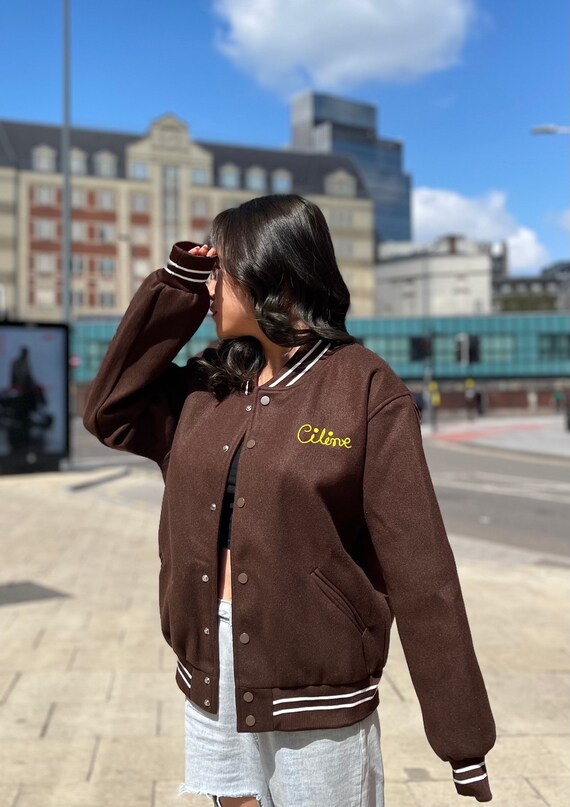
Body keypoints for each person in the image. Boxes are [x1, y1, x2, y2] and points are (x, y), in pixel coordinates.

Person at [83, 194, 495, 806]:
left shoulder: (365, 387)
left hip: (316, 685)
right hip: (213, 667)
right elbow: (108, 408)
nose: (211, 286)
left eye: (222, 271)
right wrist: (176, 286)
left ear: (270, 274)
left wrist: (462, 738)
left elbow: (421, 568)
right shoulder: (209, 384)